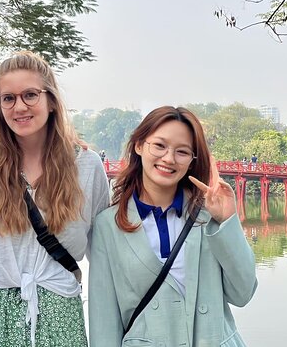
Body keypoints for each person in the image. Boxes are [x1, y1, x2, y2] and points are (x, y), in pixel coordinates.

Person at [0, 51, 110, 347]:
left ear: (51, 101)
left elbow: (104, 255)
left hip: (61, 315)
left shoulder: (86, 165)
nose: (19, 107)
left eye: (30, 95)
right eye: (8, 98)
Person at [89, 106, 257, 347]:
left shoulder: (209, 214)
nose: (169, 158)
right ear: (139, 145)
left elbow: (243, 294)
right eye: (159, 146)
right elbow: (103, 320)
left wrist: (227, 222)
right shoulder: (109, 224)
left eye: (182, 151)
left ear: (191, 161)